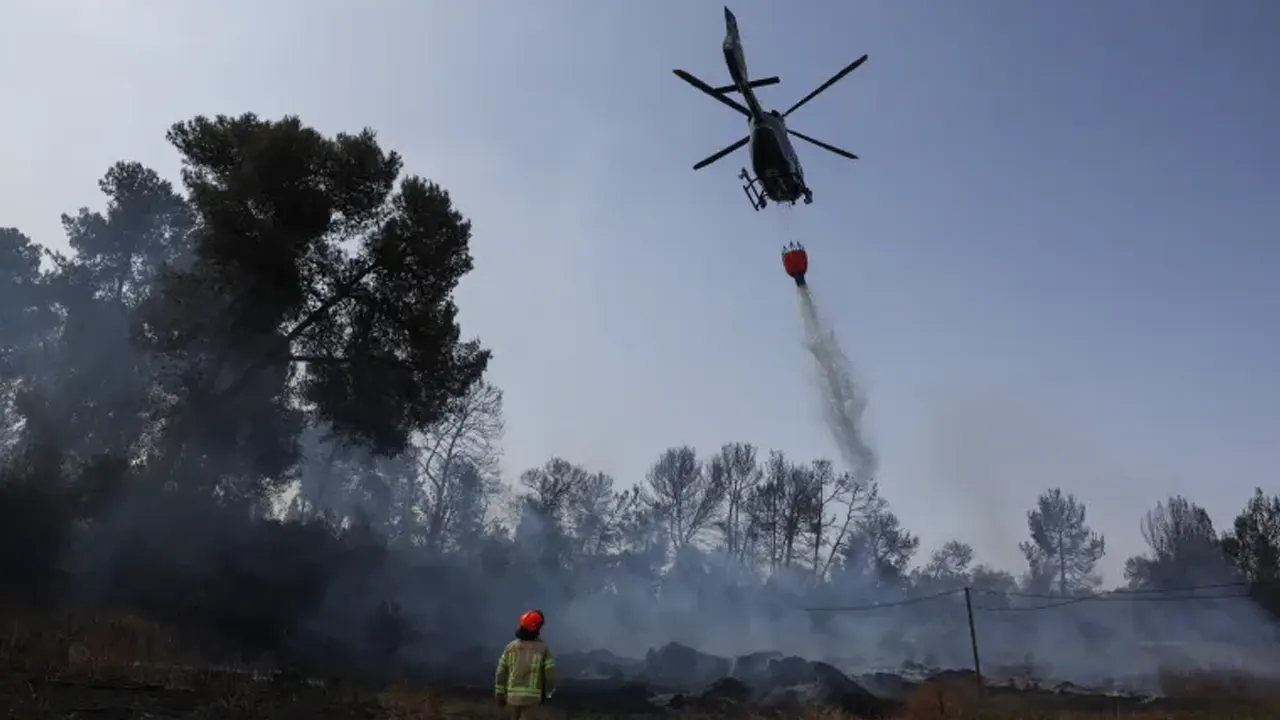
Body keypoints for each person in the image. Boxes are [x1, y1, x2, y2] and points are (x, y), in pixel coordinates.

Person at [494, 609, 558, 720]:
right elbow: (550, 675)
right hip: (532, 700)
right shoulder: (543, 648)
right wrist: (548, 693)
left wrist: (500, 696)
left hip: (512, 699)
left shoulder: (510, 648)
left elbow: (500, 673)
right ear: (536, 628)